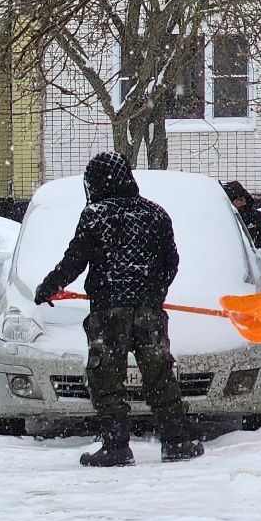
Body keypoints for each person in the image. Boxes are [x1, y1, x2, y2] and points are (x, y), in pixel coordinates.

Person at [33, 151, 202, 466]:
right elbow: (171, 262)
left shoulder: (96, 215)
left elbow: (74, 261)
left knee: (107, 377)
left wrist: (47, 287)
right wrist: (154, 291)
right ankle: (177, 441)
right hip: (150, 312)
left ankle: (116, 445)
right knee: (159, 373)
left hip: (109, 311)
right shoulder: (156, 213)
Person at [224, 180, 261, 250]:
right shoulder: (224, 218)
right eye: (239, 200)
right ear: (230, 202)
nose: (244, 203)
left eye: (244, 199)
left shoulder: (255, 216)